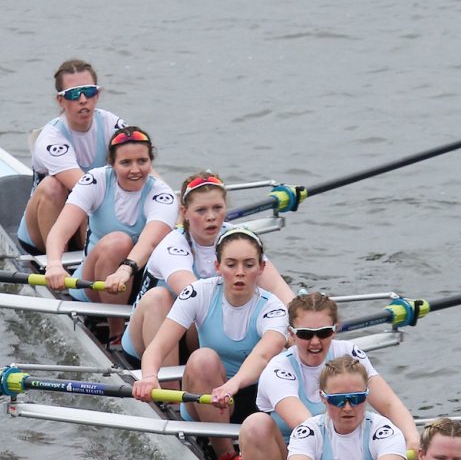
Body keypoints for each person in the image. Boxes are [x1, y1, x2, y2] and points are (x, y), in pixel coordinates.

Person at [235, 291, 420, 460]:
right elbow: (307, 426)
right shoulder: (278, 368)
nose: (315, 342)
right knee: (256, 425)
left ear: (335, 330)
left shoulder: (349, 354)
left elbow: (389, 404)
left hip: (340, 457)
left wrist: (412, 440)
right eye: (305, 334)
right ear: (292, 334)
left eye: (323, 333)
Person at [121, 172, 293, 360]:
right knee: (159, 297)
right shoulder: (172, 246)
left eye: (217, 208)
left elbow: (277, 287)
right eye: (201, 210)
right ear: (184, 213)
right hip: (150, 338)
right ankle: (164, 384)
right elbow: (196, 296)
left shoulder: (237, 239)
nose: (211, 217)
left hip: (196, 335)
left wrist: (299, 324)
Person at [131, 227, 289, 426]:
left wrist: (231, 386)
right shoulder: (199, 293)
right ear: (217, 266)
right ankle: (225, 455)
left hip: (253, 400)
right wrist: (149, 376)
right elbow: (159, 346)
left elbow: (262, 356)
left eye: (249, 265)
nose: (240, 273)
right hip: (204, 395)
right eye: (231, 265)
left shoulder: (274, 308)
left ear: (261, 268)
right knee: (202, 359)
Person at [41, 126, 175, 304]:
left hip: (140, 281)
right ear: (112, 163)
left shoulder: (162, 195)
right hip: (92, 283)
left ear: (151, 161)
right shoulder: (96, 181)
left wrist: (124, 270)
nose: (135, 170)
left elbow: (149, 243)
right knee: (119, 242)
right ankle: (115, 329)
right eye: (126, 163)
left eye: (142, 161)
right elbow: (60, 230)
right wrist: (54, 264)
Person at [21, 59, 127, 251]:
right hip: (41, 231)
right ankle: (55, 264)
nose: (83, 99)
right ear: (60, 100)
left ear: (98, 94)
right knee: (54, 186)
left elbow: (146, 171)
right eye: (74, 94)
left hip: (86, 221)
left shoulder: (111, 124)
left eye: (89, 91)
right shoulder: (51, 138)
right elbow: (85, 187)